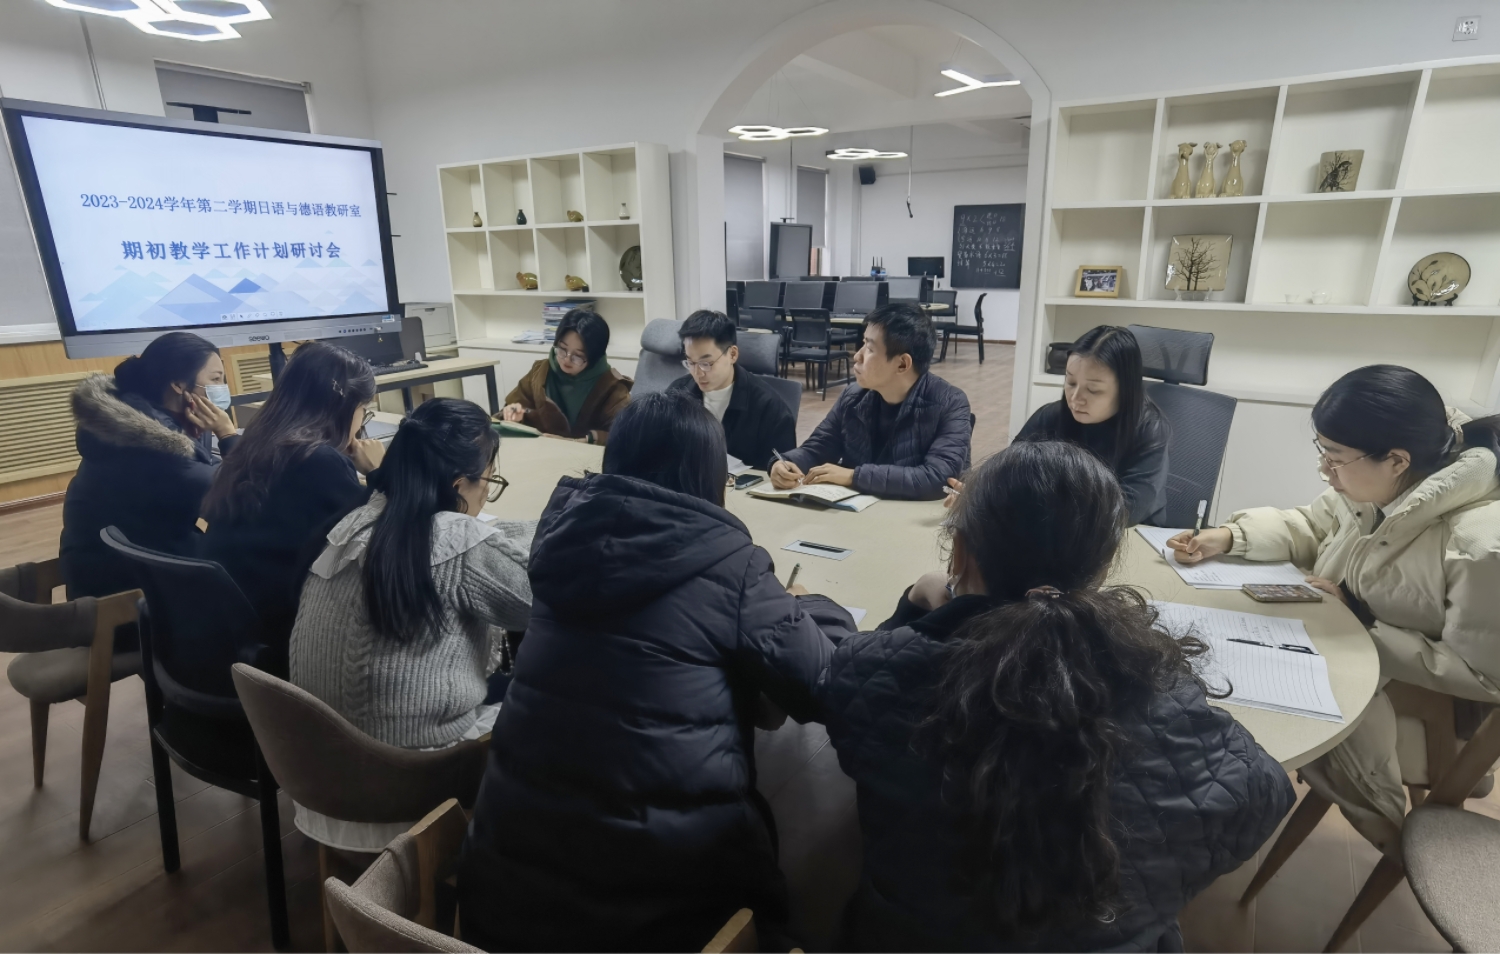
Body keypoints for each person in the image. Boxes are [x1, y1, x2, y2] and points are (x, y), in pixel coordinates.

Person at [821, 440, 1293, 951]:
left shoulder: (875, 671)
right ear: (1102, 568)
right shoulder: (1158, 691)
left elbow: (856, 695)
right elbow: (1263, 794)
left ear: (958, 553)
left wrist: (917, 610)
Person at [458, 389, 857, 952]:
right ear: (710, 477)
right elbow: (827, 685)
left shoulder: (560, 540)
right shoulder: (730, 564)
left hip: (505, 898)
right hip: (662, 919)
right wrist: (815, 606)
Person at [1169, 364, 1500, 856]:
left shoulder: (1479, 545)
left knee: (1226, 712)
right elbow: (1311, 525)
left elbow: (1483, 675)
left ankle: (1387, 839)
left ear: (1396, 460)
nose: (1325, 470)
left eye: (1336, 458)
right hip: (1338, 652)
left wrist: (1361, 622)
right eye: (1322, 451)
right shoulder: (1375, 486)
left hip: (1421, 712)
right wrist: (1230, 537)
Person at [289, 397, 533, 852]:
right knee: (550, 702)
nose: (486, 494)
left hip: (319, 778)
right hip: (408, 782)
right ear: (458, 485)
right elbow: (541, 602)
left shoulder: (355, 522)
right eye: (488, 482)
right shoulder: (455, 540)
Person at [201, 341, 385, 669]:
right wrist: (379, 474)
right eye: (362, 411)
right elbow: (377, 542)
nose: (360, 424)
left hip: (224, 632)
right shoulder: (318, 460)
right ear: (343, 407)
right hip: (282, 641)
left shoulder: (255, 442)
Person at [61, 331, 238, 611]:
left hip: (108, 576)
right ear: (179, 385)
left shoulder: (128, 421)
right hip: (128, 601)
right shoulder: (158, 450)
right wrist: (227, 434)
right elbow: (239, 497)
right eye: (216, 379)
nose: (222, 387)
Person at [964, 324, 1168, 525]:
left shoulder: (1149, 429)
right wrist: (980, 493)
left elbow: (1128, 510)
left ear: (1126, 390)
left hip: (1129, 534)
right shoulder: (1051, 416)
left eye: (1093, 390)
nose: (1075, 398)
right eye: (1070, 383)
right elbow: (1008, 472)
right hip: (1055, 528)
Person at [770, 302, 971, 500]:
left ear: (902, 364)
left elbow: (938, 478)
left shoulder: (950, 403)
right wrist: (784, 463)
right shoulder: (853, 397)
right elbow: (818, 448)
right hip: (855, 511)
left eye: (870, 348)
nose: (857, 356)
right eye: (863, 343)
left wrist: (854, 476)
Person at [667, 308, 796, 470]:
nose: (697, 373)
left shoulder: (770, 409)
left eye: (706, 363)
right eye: (690, 363)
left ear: (732, 354)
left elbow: (782, 473)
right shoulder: (677, 394)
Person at [498, 307, 632, 443]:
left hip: (585, 455)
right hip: (539, 450)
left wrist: (584, 441)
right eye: (562, 349)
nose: (567, 360)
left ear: (594, 358)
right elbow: (518, 408)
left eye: (578, 356)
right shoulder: (541, 372)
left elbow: (625, 436)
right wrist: (513, 413)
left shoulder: (612, 387)